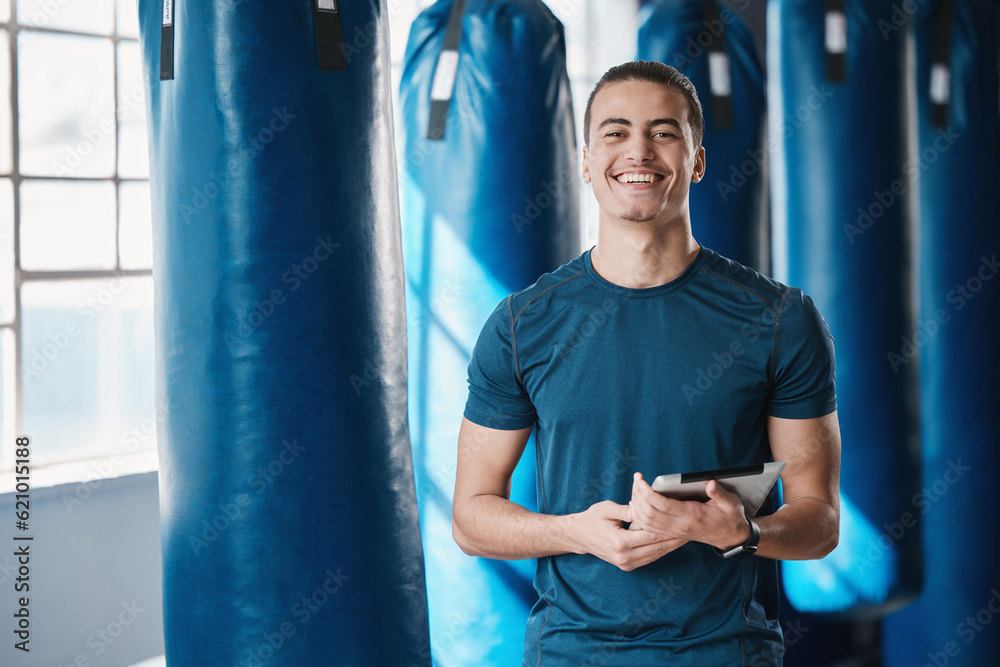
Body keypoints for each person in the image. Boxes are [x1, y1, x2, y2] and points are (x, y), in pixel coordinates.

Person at [452, 60, 841, 666]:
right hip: (571, 654)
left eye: (664, 132)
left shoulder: (779, 320)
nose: (639, 150)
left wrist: (744, 532)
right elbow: (471, 518)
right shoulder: (521, 324)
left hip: (724, 654)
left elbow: (820, 520)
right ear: (585, 161)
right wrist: (572, 531)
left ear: (698, 160)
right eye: (615, 132)